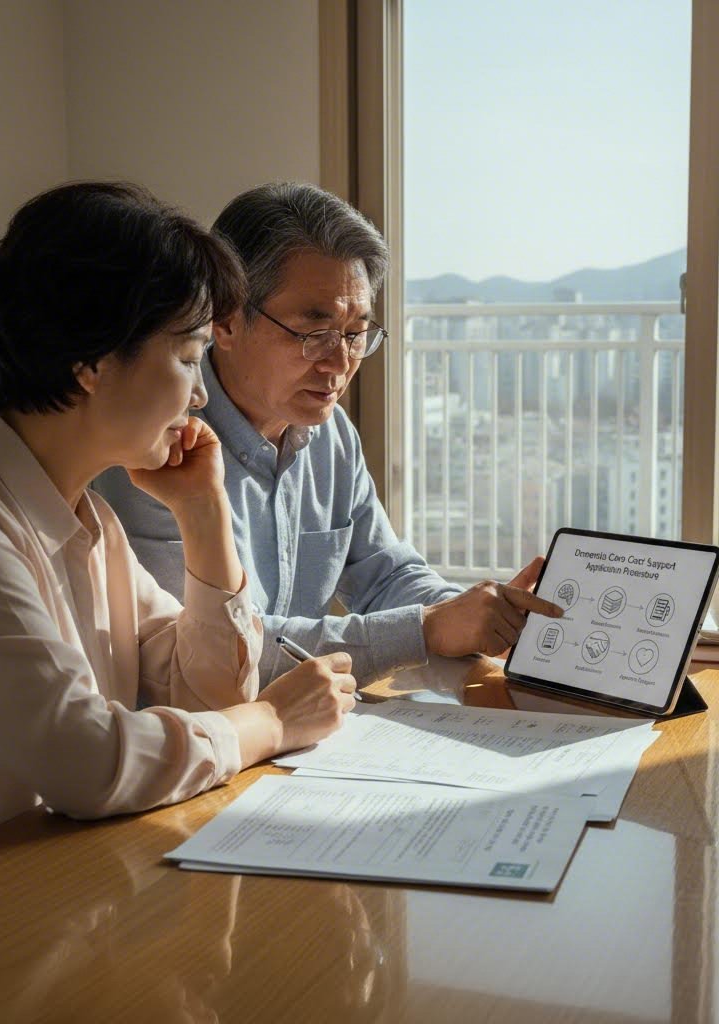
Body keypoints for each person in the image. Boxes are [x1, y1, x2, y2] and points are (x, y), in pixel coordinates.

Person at [0, 182, 357, 862]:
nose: (202, 393)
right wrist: (269, 721)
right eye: (187, 359)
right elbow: (86, 763)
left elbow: (208, 694)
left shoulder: (89, 521)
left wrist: (204, 512)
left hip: (65, 887)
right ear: (93, 362)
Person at [95, 182, 563, 686]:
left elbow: (385, 572)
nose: (340, 364)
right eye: (313, 332)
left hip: (303, 730)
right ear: (226, 321)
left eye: (356, 333)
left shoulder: (329, 431)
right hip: (200, 740)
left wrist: (474, 613)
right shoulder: (156, 444)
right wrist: (425, 630)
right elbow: (216, 653)